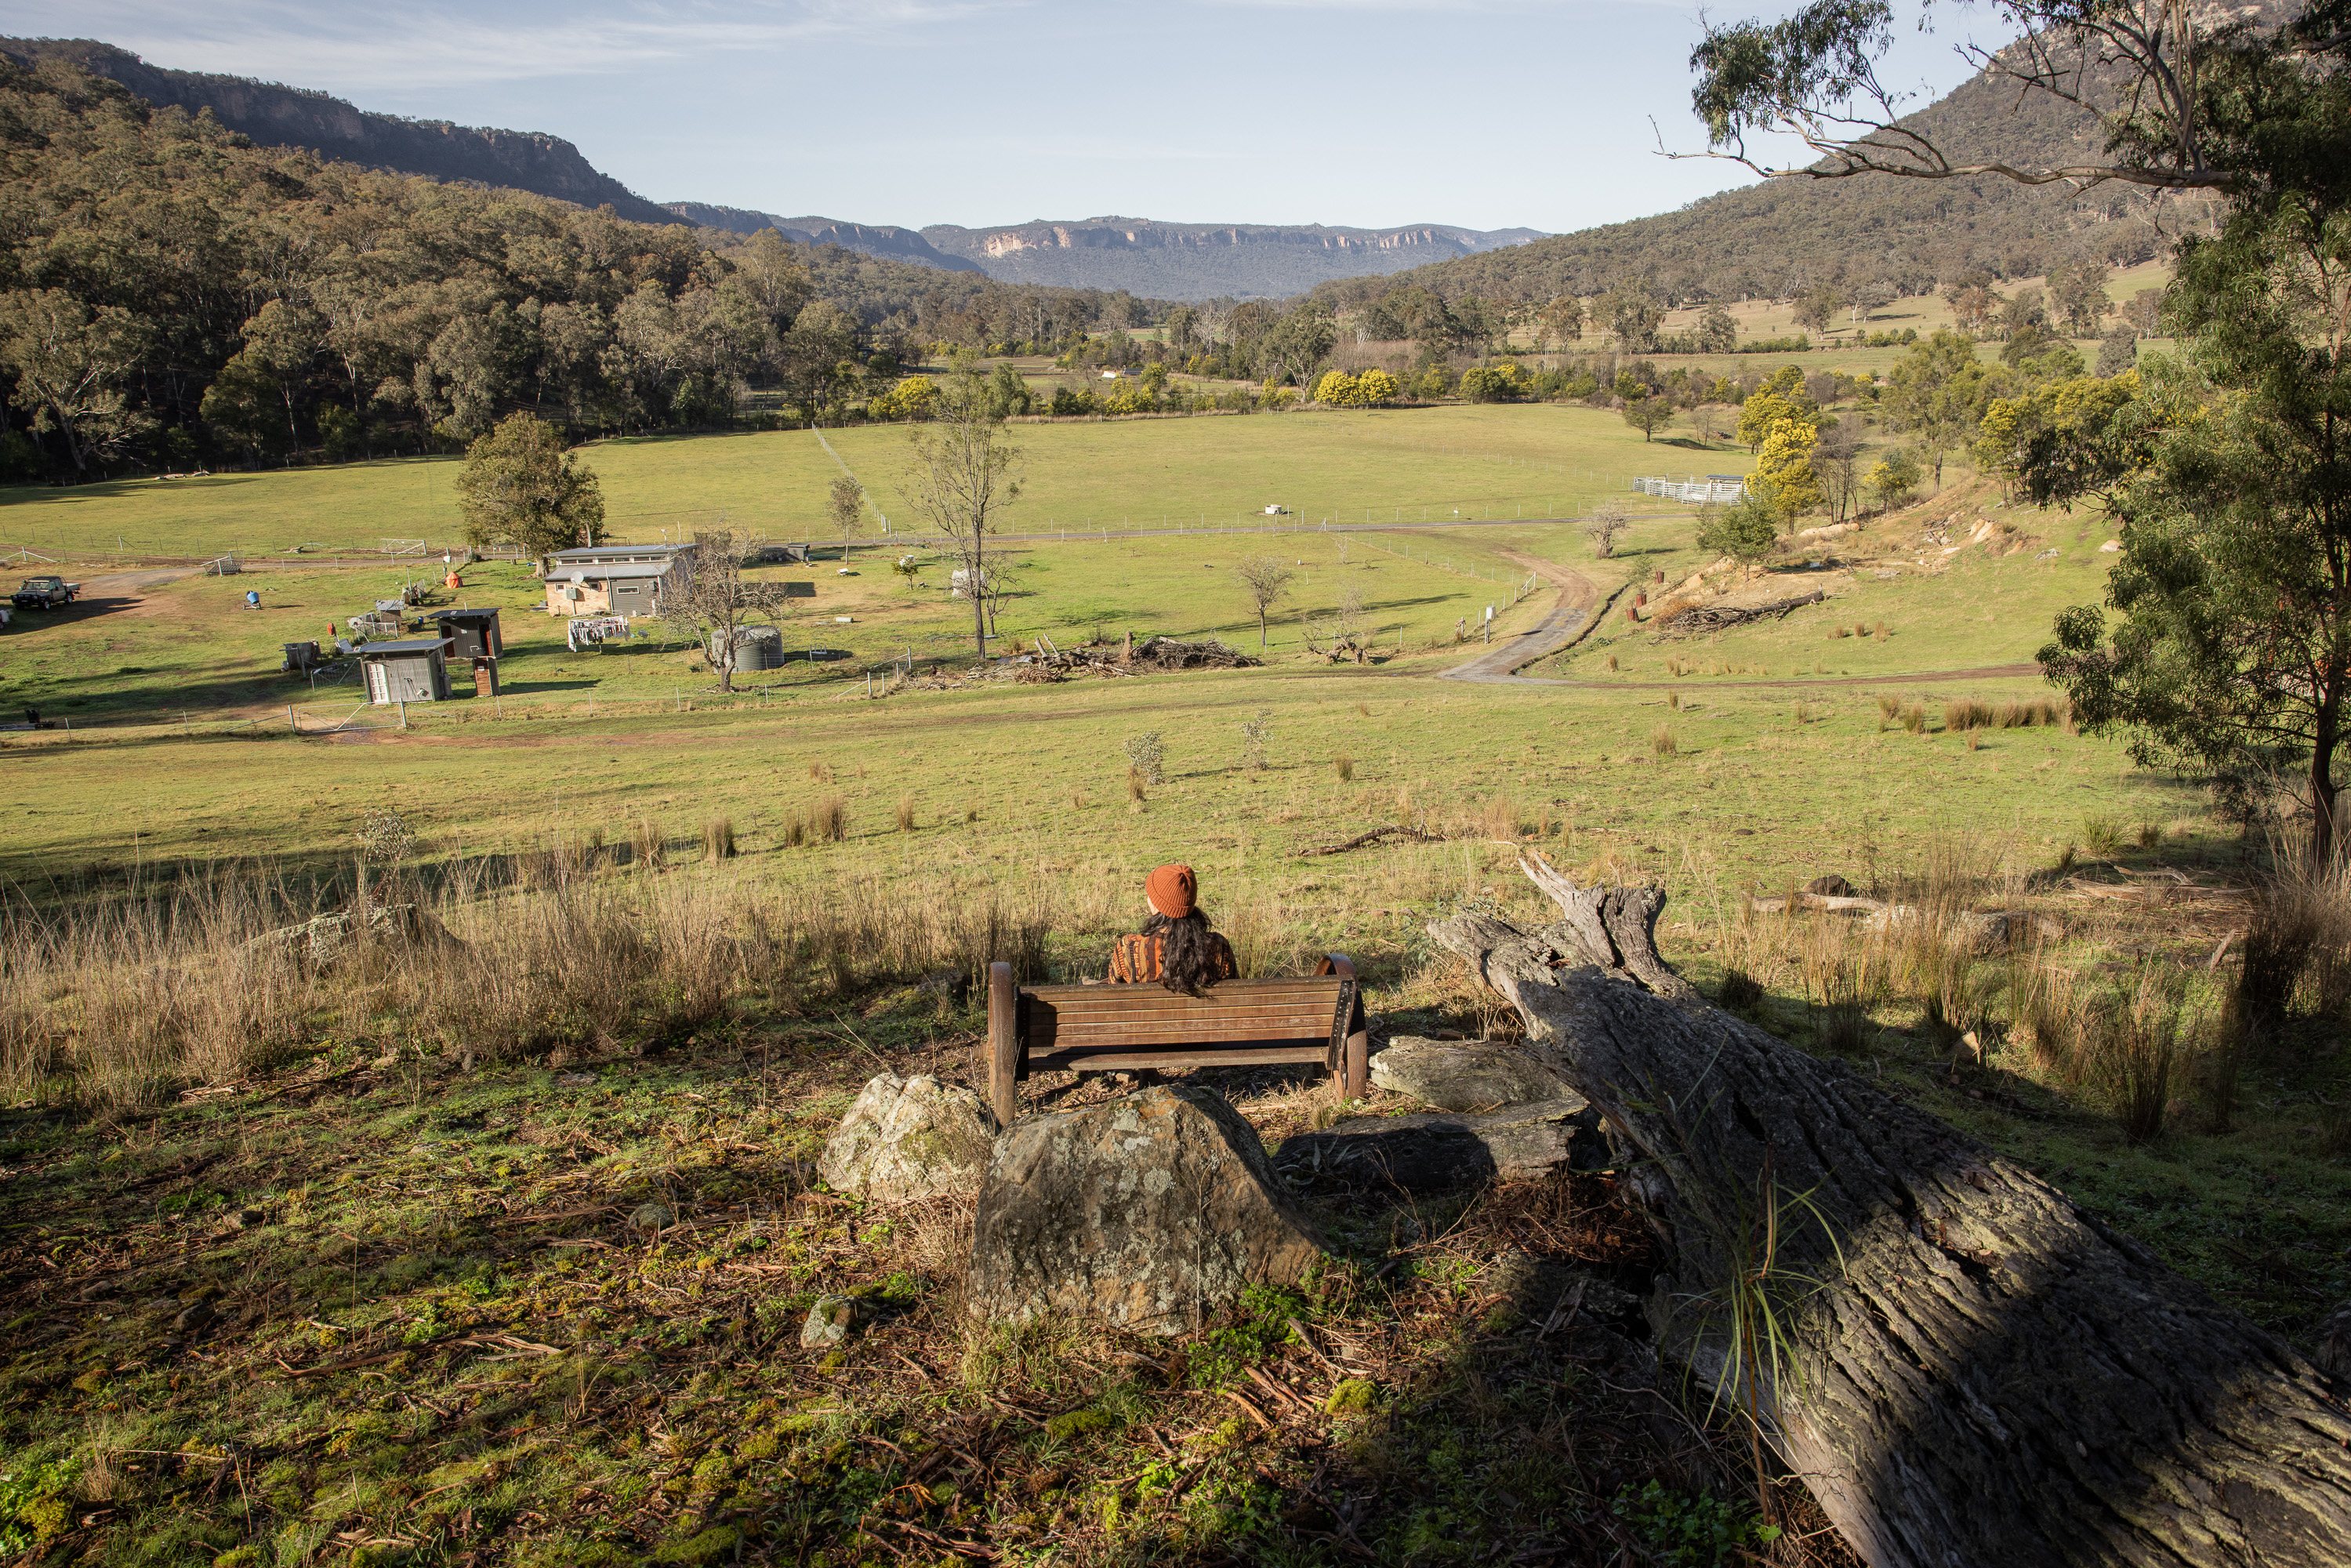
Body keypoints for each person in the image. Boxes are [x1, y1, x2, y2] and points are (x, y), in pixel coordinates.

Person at [1108, 864, 1238, 995]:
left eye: (1151, 896)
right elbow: (1234, 995)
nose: (1148, 899)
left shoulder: (1129, 948)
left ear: (1158, 905)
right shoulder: (1219, 948)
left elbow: (1112, 997)